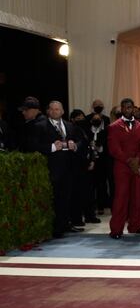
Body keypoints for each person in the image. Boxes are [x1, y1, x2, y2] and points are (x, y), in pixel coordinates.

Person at [31, 101, 84, 238]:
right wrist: (53, 147)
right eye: (52, 109)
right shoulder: (40, 126)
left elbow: (80, 141)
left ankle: (65, 224)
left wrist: (75, 145)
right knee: (54, 198)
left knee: (67, 198)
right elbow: (33, 146)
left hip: (69, 168)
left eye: (58, 109)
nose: (55, 111)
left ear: (62, 111)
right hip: (51, 168)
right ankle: (55, 228)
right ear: (48, 111)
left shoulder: (70, 125)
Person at [107, 98, 140, 239]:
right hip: (122, 167)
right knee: (121, 197)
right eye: (124, 107)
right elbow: (114, 149)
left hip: (138, 167)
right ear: (121, 109)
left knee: (138, 197)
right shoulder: (114, 126)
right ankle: (116, 229)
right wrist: (129, 161)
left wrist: (138, 160)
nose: (127, 109)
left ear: (133, 108)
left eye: (130, 107)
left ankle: (136, 227)